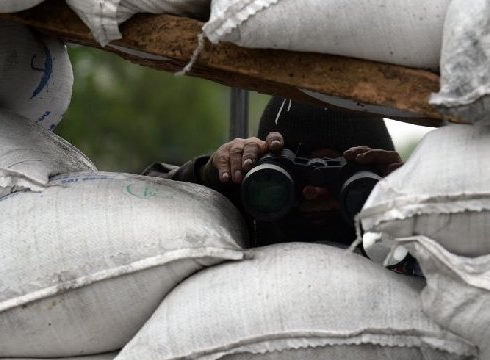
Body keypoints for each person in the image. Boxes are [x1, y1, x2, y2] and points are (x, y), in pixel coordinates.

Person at [143, 96, 406, 251]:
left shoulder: (400, 211)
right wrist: (206, 176)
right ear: (259, 166)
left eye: (344, 178)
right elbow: (144, 197)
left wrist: (416, 195)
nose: (313, 191)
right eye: (288, 173)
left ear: (378, 177)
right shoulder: (244, 197)